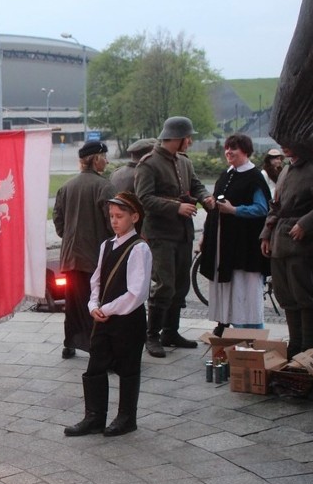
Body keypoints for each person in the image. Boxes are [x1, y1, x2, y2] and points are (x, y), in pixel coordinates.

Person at [64, 192, 152, 437]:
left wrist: (108, 308)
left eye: (120, 216)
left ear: (134, 217)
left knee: (128, 366)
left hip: (128, 319)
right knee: (96, 364)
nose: (114, 221)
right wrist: (93, 305)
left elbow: (137, 292)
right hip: (103, 317)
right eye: (112, 216)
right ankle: (94, 416)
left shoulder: (139, 248)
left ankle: (126, 417)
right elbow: (97, 280)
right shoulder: (106, 245)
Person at [134, 116, 215, 358]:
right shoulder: (149, 164)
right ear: (177, 138)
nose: (190, 141)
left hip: (183, 233)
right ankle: (152, 336)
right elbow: (143, 198)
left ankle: (171, 331)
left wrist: (205, 197)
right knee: (164, 285)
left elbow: (196, 184)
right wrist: (176, 207)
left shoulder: (183, 162)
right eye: (188, 137)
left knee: (181, 285)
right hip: (160, 234)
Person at [260, 147, 313, 359]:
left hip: (302, 242)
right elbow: (276, 207)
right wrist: (266, 234)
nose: (284, 147)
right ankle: (295, 346)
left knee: (304, 297)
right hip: (279, 241)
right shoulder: (286, 171)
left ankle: (307, 350)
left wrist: (305, 224)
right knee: (286, 297)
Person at [198, 134, 272, 337]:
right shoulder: (226, 174)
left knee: (244, 290)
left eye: (234, 149)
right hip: (223, 244)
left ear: (246, 151)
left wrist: (234, 210)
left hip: (244, 245)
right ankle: (229, 327)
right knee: (229, 288)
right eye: (227, 148)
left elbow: (262, 208)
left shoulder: (254, 177)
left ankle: (250, 334)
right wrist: (206, 233)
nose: (229, 152)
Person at [53, 140, 116, 358]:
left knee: (73, 303)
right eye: (104, 157)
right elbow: (112, 223)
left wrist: (69, 236)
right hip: (95, 257)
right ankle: (96, 346)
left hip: (71, 257)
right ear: (95, 159)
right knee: (96, 302)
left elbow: (58, 221)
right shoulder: (105, 186)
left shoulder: (66, 186)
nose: (107, 161)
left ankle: (70, 343)